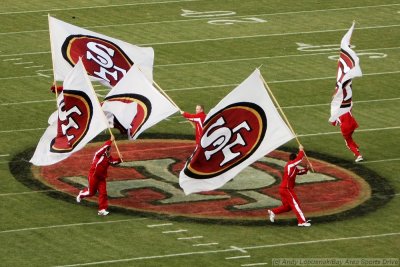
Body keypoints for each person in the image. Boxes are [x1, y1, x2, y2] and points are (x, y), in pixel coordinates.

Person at [76, 135, 122, 216]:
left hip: (102, 178)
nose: (110, 151)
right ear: (106, 150)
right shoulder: (98, 155)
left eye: (110, 150)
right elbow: (103, 148)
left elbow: (113, 162)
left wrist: (119, 159)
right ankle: (81, 194)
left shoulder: (109, 158)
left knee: (103, 193)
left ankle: (102, 209)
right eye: (108, 149)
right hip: (93, 176)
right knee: (91, 192)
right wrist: (110, 141)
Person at [268, 145, 311, 227]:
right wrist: (301, 150)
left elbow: (299, 172)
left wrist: (306, 169)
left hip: (283, 189)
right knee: (296, 204)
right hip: (286, 189)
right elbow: (299, 159)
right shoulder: (290, 165)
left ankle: (273, 212)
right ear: (294, 160)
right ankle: (301, 222)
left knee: (288, 207)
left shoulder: (293, 168)